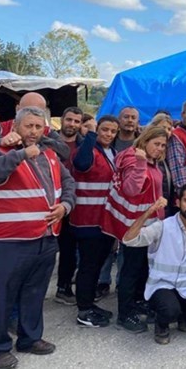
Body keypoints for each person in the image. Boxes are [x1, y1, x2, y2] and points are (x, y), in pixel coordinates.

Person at [0, 106, 76, 368]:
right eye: (28, 126)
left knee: (34, 293)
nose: (34, 132)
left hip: (44, 237)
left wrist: (65, 206)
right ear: (16, 127)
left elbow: (68, 184)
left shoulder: (50, 154)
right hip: (7, 241)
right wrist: (21, 154)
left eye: (38, 127)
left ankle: (29, 338)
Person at [123, 185, 186, 345]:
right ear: (178, 202)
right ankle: (162, 323)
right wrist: (149, 212)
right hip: (162, 285)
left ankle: (184, 316)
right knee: (169, 310)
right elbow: (128, 239)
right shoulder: (163, 226)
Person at [102, 126, 167, 333]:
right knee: (130, 270)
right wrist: (140, 163)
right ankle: (124, 314)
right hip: (134, 226)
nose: (159, 148)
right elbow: (131, 189)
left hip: (148, 224)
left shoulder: (150, 160)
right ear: (145, 140)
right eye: (156, 143)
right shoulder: (134, 159)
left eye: (163, 145)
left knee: (141, 268)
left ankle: (137, 301)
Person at [70, 115, 120, 328]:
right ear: (97, 130)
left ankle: (89, 303)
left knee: (97, 265)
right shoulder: (87, 150)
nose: (108, 134)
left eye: (112, 131)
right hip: (87, 221)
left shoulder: (112, 153)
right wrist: (89, 135)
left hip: (104, 221)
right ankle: (83, 310)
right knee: (89, 266)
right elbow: (81, 164)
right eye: (104, 129)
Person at [0, 92, 69, 161]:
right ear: (17, 109)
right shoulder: (0, 127)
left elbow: (65, 152)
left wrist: (39, 137)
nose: (32, 115)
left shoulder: (47, 131)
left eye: (37, 112)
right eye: (27, 111)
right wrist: (1, 141)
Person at [53, 106, 84, 306]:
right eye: (69, 120)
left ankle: (63, 287)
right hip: (51, 203)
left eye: (76, 121)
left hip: (74, 204)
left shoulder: (84, 145)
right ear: (62, 120)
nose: (72, 124)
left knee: (69, 249)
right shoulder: (49, 142)